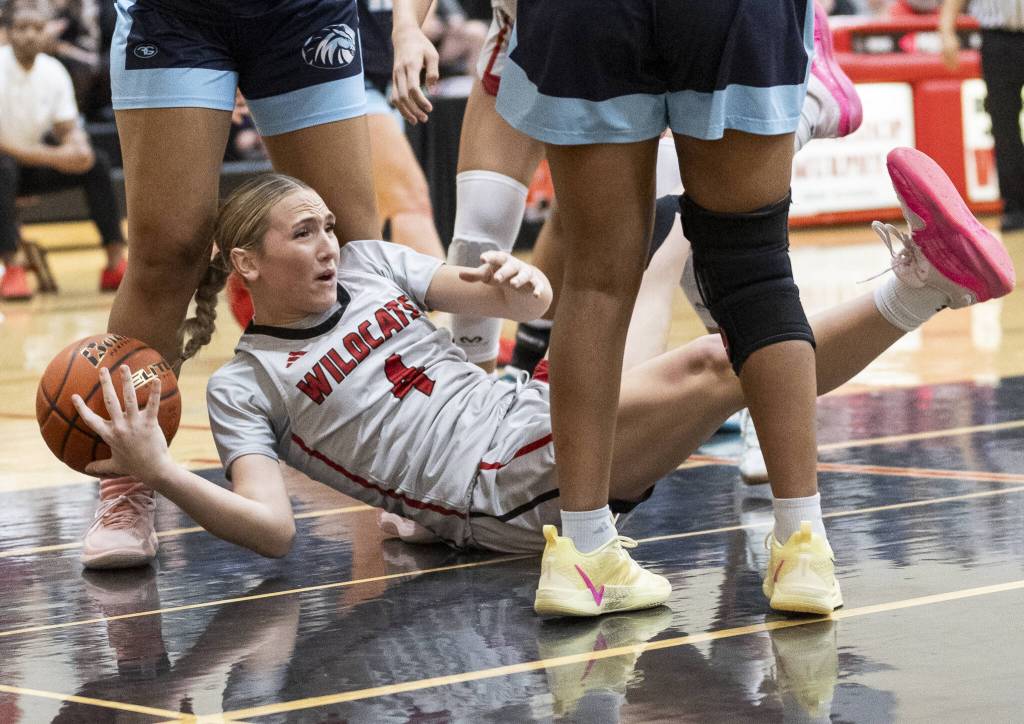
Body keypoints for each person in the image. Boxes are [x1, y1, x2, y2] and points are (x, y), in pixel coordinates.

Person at [74, 148, 1014, 615]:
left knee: (670, 294)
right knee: (717, 363)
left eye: (327, 224)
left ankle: (897, 261)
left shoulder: (369, 264)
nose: (328, 243)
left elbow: (486, 290)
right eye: (303, 233)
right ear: (246, 264)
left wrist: (514, 282)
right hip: (498, 490)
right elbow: (274, 530)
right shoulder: (246, 387)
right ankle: (924, 283)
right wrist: (162, 472)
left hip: (529, 415)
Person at [78, 0, 383, 570]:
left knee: (353, 242)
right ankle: (127, 486)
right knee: (168, 253)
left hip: (304, 11)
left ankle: (399, 467)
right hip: (176, 15)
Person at [0, 0, 125, 301]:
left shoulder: (54, 70)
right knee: (4, 168)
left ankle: (114, 262)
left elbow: (67, 128)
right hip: (4, 167)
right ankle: (11, 268)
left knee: (96, 163)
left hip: (29, 166)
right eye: (22, 28)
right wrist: (56, 156)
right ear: (8, 33)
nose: (30, 35)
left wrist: (79, 148)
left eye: (37, 28)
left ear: (48, 32)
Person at [940, 0, 1024, 232]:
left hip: (1001, 41)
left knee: (1005, 125)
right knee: (1003, 125)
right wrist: (946, 31)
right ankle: (1015, 207)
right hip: (998, 40)